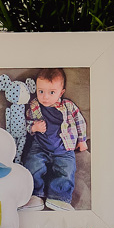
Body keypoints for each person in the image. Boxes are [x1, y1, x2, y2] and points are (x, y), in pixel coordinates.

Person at [19, 68, 87, 211]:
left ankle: (58, 198)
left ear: (61, 93)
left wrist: (82, 140)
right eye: (41, 91)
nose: (45, 97)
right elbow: (26, 122)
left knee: (67, 169)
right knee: (32, 165)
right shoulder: (34, 105)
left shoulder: (68, 106)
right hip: (40, 146)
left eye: (51, 92)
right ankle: (34, 196)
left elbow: (79, 121)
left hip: (64, 148)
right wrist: (34, 127)